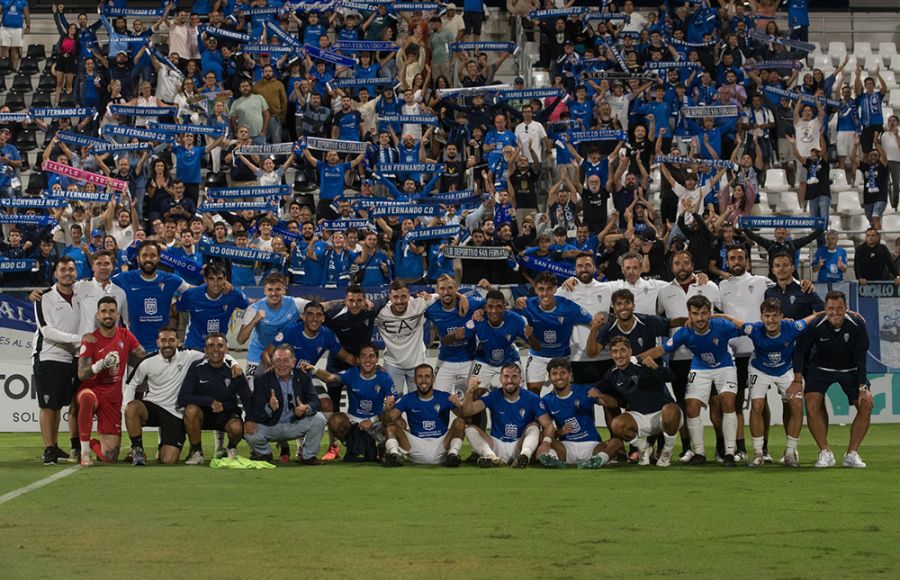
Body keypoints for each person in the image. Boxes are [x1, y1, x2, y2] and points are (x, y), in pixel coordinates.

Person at [714, 300, 819, 467]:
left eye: (775, 316)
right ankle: (758, 453)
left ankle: (791, 453)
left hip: (786, 370)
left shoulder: (793, 327)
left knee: (797, 404)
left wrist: (845, 312)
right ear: (761, 317)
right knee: (757, 405)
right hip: (759, 370)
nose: (771, 320)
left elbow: (813, 317)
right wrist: (716, 316)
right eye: (767, 316)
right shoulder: (754, 329)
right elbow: (732, 320)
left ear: (782, 317)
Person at [641, 295, 743, 467]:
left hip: (725, 365)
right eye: (695, 314)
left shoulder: (721, 326)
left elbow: (745, 327)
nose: (700, 318)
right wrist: (635, 358)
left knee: (727, 401)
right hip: (700, 367)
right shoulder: (684, 332)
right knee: (691, 406)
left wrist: (722, 316)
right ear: (689, 314)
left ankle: (729, 453)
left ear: (710, 313)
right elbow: (661, 349)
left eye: (704, 313)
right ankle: (699, 453)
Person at [655, 250, 722, 460]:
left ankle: (721, 448)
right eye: (677, 263)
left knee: (715, 402)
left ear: (693, 264)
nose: (681, 266)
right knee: (683, 404)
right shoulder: (664, 291)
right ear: (671, 266)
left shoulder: (709, 286)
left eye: (685, 262)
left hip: (708, 357)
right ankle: (687, 448)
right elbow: (661, 322)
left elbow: (719, 316)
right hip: (678, 358)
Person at [794, 291, 872, 468]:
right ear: (825, 309)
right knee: (812, 404)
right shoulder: (815, 325)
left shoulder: (857, 325)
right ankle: (825, 452)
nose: (835, 312)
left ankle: (852, 454)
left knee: (866, 405)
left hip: (850, 369)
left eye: (839, 308)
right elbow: (800, 351)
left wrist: (862, 387)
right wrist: (798, 380)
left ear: (846, 309)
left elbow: (861, 357)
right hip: (820, 369)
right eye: (830, 308)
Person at [124, 327, 223, 465]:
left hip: (175, 413)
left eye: (171, 340)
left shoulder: (189, 355)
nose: (167, 344)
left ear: (178, 342)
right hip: (153, 406)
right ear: (158, 342)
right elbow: (131, 384)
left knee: (168, 460)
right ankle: (137, 449)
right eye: (163, 340)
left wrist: (234, 363)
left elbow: (214, 355)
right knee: (132, 407)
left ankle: (164, 445)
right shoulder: (147, 361)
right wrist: (126, 407)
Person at [75, 297, 146, 466]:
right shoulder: (90, 339)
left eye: (112, 311)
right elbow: (81, 375)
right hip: (91, 389)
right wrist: (98, 366)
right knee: (87, 399)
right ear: (98, 316)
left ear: (118, 315)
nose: (108, 315)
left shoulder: (125, 335)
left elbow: (142, 356)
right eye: (104, 311)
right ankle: (84, 453)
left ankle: (92, 443)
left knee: (110, 457)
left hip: (113, 397)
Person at [593, 339, 682, 467]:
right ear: (611, 355)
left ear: (630, 351)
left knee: (671, 409)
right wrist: (594, 394)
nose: (619, 355)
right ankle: (644, 448)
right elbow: (598, 387)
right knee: (617, 424)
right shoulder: (612, 374)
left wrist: (656, 367)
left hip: (663, 415)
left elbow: (672, 377)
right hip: (640, 418)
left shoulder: (643, 363)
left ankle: (666, 452)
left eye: (623, 350)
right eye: (615, 351)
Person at [375, 280, 468, 394]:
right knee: (391, 405)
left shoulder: (419, 303)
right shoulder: (380, 313)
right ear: (389, 296)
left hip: (418, 364)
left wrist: (462, 297)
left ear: (409, 295)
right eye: (395, 297)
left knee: (418, 405)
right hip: (392, 365)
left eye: (404, 296)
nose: (399, 301)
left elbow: (444, 294)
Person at [32, 256, 82, 465]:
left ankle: (54, 444)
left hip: (71, 358)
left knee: (60, 405)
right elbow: (46, 330)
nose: (67, 273)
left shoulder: (81, 295)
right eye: (63, 270)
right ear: (55, 273)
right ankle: (49, 449)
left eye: (71, 269)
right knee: (48, 406)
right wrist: (77, 339)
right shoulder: (43, 297)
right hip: (49, 356)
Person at [245, 346, 327, 465]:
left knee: (319, 420)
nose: (282, 364)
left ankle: (308, 456)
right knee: (248, 430)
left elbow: (315, 401)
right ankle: (265, 453)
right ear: (272, 363)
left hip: (295, 424)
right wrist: (269, 407)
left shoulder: (303, 377)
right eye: (278, 360)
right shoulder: (262, 379)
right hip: (272, 425)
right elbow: (256, 411)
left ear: (293, 362)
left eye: (286, 360)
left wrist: (306, 409)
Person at [177, 333, 251, 465]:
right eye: (211, 346)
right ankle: (197, 452)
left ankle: (231, 448)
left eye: (220, 346)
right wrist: (209, 401)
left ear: (226, 350)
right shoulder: (196, 367)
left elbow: (247, 399)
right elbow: (183, 398)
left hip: (227, 414)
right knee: (190, 410)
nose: (215, 349)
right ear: (205, 350)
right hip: (202, 414)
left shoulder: (235, 370)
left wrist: (251, 420)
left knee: (237, 428)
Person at [461, 364, 555, 468]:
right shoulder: (493, 396)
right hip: (497, 444)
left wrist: (546, 442)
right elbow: (467, 412)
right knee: (470, 429)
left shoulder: (532, 398)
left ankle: (524, 456)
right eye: (506, 376)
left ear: (521, 379)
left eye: (514, 376)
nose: (510, 380)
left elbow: (548, 425)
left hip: (519, 444)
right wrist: (470, 391)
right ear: (501, 379)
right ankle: (491, 457)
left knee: (534, 427)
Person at [520, 272, 598, 394]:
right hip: (537, 357)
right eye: (541, 289)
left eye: (549, 289)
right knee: (532, 394)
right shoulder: (527, 305)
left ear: (555, 289)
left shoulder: (569, 307)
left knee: (566, 394)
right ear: (535, 289)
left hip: (562, 357)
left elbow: (594, 323)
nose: (545, 294)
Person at [538, 358, 623, 469]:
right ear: (549, 378)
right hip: (566, 448)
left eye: (563, 373)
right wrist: (560, 432)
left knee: (617, 442)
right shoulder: (547, 400)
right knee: (539, 437)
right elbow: (547, 428)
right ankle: (554, 460)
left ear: (570, 375)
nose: (559, 377)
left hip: (592, 446)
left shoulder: (584, 390)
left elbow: (613, 405)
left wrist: (600, 395)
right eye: (554, 374)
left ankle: (597, 460)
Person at [306, 344, 397, 447]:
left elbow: (393, 406)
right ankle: (352, 446)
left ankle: (383, 447)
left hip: (376, 420)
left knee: (399, 422)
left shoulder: (385, 377)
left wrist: (372, 420)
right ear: (358, 359)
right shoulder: (351, 374)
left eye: (371, 356)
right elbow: (330, 377)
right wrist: (314, 370)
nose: (367, 360)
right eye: (364, 356)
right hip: (354, 420)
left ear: (376, 359)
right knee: (334, 420)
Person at [111, 241, 191, 352]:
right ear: (138, 258)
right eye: (144, 255)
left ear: (159, 258)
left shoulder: (170, 279)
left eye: (153, 255)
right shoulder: (124, 278)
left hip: (162, 348)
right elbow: (103, 282)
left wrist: (218, 285)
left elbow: (194, 290)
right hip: (134, 348)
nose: (148, 259)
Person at [381, 364, 466, 467]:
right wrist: (387, 410)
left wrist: (460, 405)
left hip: (441, 444)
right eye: (420, 376)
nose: (423, 380)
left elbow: (466, 419)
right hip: (415, 445)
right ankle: (394, 456)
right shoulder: (407, 399)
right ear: (415, 380)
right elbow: (387, 422)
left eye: (427, 376)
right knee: (391, 426)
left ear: (433, 379)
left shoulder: (445, 397)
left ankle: (453, 455)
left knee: (460, 421)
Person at [426, 275, 483, 395]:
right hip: (445, 361)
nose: (446, 292)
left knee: (476, 398)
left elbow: (494, 301)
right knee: (439, 400)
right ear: (437, 291)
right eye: (442, 289)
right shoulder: (431, 309)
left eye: (450, 288)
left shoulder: (470, 304)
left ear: (456, 288)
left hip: (470, 360)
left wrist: (481, 310)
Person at [464, 289, 530, 389]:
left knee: (518, 392)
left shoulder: (516, 320)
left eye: (498, 307)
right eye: (490, 307)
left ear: (504, 306)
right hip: (483, 360)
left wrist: (531, 334)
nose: (494, 311)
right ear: (485, 307)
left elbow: (532, 342)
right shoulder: (478, 318)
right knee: (473, 391)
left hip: (509, 360)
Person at [175, 263, 249, 351]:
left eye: (220, 279)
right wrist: (175, 337)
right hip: (194, 347)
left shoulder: (234, 294)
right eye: (211, 279)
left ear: (225, 279)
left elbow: (247, 304)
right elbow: (175, 309)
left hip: (219, 348)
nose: (216, 283)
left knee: (235, 365)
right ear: (205, 279)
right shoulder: (191, 295)